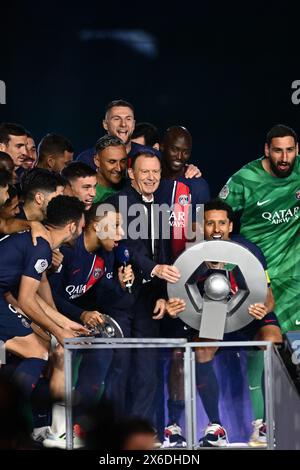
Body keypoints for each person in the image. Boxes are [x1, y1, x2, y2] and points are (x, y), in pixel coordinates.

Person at [163, 200, 282, 448]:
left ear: (229, 226)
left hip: (250, 309)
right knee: (202, 350)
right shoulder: (191, 255)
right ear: (201, 227)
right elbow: (181, 300)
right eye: (210, 223)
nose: (216, 228)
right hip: (216, 312)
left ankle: (267, 423)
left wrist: (263, 309)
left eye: (221, 223)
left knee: (273, 340)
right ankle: (216, 427)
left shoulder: (250, 251)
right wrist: (174, 308)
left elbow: (268, 296)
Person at [0, 196, 88, 407]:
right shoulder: (42, 248)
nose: (83, 230)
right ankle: (11, 421)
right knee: (37, 352)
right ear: (72, 226)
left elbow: (31, 298)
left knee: (37, 350)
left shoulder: (37, 241)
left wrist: (64, 323)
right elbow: (26, 301)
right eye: (83, 225)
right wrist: (60, 333)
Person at [218, 124, 300, 335]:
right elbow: (215, 216)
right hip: (256, 275)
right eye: (277, 150)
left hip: (293, 275)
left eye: (289, 150)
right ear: (266, 150)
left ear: (297, 150)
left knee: (293, 346)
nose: (284, 157)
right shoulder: (244, 179)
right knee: (258, 346)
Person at [93, 135, 127, 203]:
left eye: (123, 161)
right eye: (112, 162)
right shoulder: (87, 193)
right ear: (97, 161)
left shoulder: (131, 186)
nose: (119, 168)